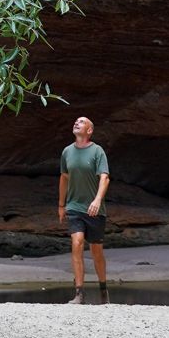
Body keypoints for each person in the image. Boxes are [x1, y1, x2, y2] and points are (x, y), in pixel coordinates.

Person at [58, 114, 110, 302]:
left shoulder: (97, 151)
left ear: (89, 130)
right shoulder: (67, 152)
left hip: (95, 209)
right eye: (76, 121)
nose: (76, 123)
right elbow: (64, 178)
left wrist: (97, 201)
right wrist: (61, 205)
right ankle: (79, 293)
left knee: (96, 251)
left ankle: (103, 290)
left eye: (81, 122)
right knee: (77, 242)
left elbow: (104, 178)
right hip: (74, 207)